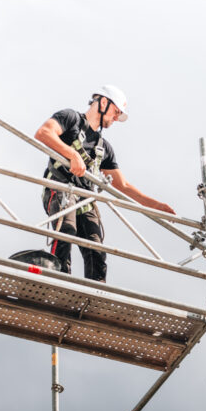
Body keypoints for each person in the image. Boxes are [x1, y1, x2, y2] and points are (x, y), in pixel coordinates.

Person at [34, 85, 175, 281]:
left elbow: (123, 186)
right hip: (59, 189)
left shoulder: (103, 148)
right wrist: (72, 154)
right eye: (116, 111)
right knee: (67, 229)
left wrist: (155, 206)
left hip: (84, 200)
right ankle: (59, 282)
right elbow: (43, 133)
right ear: (102, 102)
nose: (116, 117)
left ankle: (95, 295)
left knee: (96, 247)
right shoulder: (70, 119)